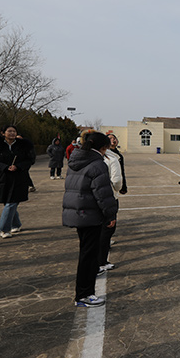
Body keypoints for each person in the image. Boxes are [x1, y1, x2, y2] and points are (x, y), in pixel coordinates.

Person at [62, 131, 117, 307]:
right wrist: (110, 214)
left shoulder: (76, 160)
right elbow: (103, 194)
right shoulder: (97, 164)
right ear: (103, 147)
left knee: (86, 253)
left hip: (79, 212)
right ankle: (84, 294)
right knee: (89, 256)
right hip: (90, 215)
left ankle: (84, 292)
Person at [0, 125, 35, 239]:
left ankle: (4, 229)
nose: (12, 133)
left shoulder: (23, 145)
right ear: (3, 133)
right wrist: (5, 167)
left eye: (14, 131)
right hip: (2, 177)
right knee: (8, 202)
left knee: (12, 202)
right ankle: (16, 224)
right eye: (9, 131)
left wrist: (18, 166)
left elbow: (30, 160)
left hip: (19, 177)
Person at [97, 132, 123, 275]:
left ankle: (98, 261)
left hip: (94, 199)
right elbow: (117, 180)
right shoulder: (111, 159)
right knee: (107, 229)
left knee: (98, 231)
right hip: (108, 197)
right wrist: (117, 189)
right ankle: (101, 262)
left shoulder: (87, 158)